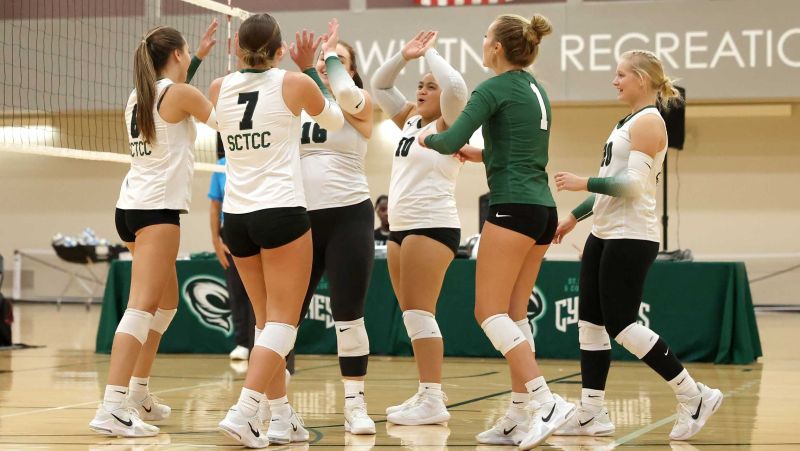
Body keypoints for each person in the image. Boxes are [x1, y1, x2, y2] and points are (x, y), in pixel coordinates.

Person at [418, 14, 575, 449]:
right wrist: (479, 153)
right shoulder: (535, 89)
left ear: (497, 49)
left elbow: (447, 143)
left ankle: (545, 402)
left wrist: (425, 138)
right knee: (515, 313)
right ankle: (519, 414)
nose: (483, 43)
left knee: (488, 312)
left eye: (485, 37)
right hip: (542, 209)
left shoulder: (492, 88)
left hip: (512, 209)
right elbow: (518, 150)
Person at [552, 49, 723, 441]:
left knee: (622, 324)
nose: (615, 81)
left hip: (632, 234)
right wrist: (573, 217)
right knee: (589, 324)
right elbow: (608, 185)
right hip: (605, 231)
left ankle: (694, 394)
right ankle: (592, 411)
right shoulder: (625, 122)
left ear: (642, 80)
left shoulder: (649, 122)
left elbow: (632, 186)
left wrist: (584, 182)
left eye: (621, 75)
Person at [210, 14, 344, 448]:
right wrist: (310, 68)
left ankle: (281, 417)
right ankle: (246, 410)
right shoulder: (293, 83)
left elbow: (219, 125)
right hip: (282, 210)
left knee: (265, 321)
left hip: (238, 219)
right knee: (284, 321)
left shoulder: (218, 88)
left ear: (236, 49)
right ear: (281, 50)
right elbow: (337, 122)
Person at [90, 22, 219, 437]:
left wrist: (196, 58)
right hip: (156, 212)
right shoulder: (176, 94)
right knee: (142, 308)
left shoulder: (139, 95)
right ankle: (111, 406)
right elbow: (227, 124)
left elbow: (176, 96)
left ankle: (136, 393)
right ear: (176, 55)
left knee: (166, 305)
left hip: (130, 207)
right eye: (186, 54)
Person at [371, 30, 468, 426]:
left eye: (431, 86)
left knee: (420, 312)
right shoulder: (410, 120)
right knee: (413, 315)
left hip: (434, 225)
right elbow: (379, 84)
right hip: (402, 228)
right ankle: (428, 392)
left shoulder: (451, 123)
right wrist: (404, 56)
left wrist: (433, 56)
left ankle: (433, 400)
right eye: (420, 86)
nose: (425, 90)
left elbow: (457, 87)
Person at [291, 19, 376, 435]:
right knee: (284, 316)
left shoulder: (359, 101)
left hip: (349, 215)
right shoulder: (300, 98)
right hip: (298, 219)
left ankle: (355, 404)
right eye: (326, 59)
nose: (329, 65)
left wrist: (319, 60)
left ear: (352, 71)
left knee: (348, 314)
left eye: (338, 60)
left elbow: (341, 101)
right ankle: (275, 404)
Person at [208, 133, 256, 361]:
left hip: (257, 224)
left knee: (259, 289)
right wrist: (216, 240)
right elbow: (214, 204)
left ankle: (260, 342)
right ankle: (243, 343)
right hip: (230, 230)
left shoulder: (255, 159)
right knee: (237, 290)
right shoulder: (220, 166)